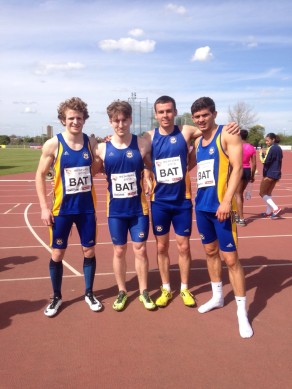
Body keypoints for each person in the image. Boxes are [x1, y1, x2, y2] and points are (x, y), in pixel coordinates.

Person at [142, 96, 239, 308]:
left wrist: (230, 126)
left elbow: (212, 130)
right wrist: (148, 170)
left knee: (184, 247)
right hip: (159, 201)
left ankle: (185, 288)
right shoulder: (149, 136)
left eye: (168, 111)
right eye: (161, 112)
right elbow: (137, 153)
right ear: (155, 115)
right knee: (161, 247)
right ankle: (166, 288)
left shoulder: (186, 131)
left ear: (175, 111)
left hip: (182, 202)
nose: (165, 115)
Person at [190, 96, 253, 338]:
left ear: (214, 114)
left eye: (205, 115)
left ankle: (241, 312)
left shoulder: (228, 134)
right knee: (209, 252)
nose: (201, 120)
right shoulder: (198, 140)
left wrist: (227, 200)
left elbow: (237, 168)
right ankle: (217, 296)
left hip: (221, 207)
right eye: (197, 117)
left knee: (231, 258)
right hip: (202, 207)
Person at [35, 97, 102, 317]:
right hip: (61, 210)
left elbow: (95, 170)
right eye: (71, 118)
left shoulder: (90, 143)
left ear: (84, 119)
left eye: (79, 118)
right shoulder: (53, 144)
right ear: (63, 120)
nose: (75, 121)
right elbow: (40, 175)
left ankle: (89, 293)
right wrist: (44, 208)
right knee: (57, 253)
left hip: (86, 210)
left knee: (89, 250)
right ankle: (56, 297)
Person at [94, 100, 156, 311]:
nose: (120, 124)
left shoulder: (142, 144)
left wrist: (148, 177)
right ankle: (122, 291)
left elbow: (153, 165)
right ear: (111, 122)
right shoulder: (102, 148)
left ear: (130, 120)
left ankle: (143, 291)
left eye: (124, 120)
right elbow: (90, 170)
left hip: (139, 209)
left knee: (140, 250)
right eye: (116, 121)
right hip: (115, 211)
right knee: (119, 250)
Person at [234, 129, 256, 226]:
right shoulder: (251, 147)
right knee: (239, 194)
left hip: (238, 170)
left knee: (237, 194)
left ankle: (241, 218)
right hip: (247, 170)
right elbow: (254, 164)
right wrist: (252, 174)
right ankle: (238, 214)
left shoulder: (235, 146)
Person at [259, 133, 283, 218]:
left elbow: (265, 161)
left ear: (273, 139)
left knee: (262, 193)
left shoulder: (272, 148)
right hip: (276, 173)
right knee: (268, 193)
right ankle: (268, 212)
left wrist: (261, 154)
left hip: (270, 173)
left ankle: (275, 208)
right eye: (265, 140)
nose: (266, 142)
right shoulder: (278, 148)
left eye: (267, 140)